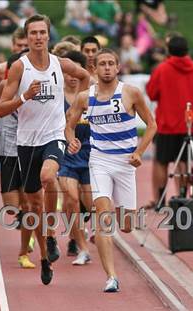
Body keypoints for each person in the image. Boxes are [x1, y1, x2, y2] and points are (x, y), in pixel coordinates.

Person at [0, 14, 90, 285]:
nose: (38, 37)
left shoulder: (61, 64)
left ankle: (50, 237)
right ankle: (44, 257)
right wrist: (25, 96)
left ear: (48, 35)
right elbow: (0, 108)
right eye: (33, 33)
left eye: (42, 32)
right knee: (34, 204)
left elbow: (85, 77)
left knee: (49, 177)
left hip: (54, 135)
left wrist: (75, 114)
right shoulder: (19, 68)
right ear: (26, 38)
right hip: (26, 141)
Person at [65, 48, 156, 292]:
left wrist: (138, 152)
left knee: (126, 225)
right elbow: (69, 124)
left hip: (126, 163)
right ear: (94, 69)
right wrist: (71, 139)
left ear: (118, 68)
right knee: (103, 215)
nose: (106, 68)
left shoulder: (131, 93)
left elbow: (152, 126)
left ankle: (117, 218)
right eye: (101, 64)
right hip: (99, 161)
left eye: (110, 64)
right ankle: (111, 277)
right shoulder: (85, 97)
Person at [0, 51, 35, 269]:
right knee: (11, 208)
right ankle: (25, 225)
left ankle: (26, 243)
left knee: (28, 201)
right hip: (7, 148)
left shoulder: (38, 86)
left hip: (29, 147)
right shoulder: (5, 85)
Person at [145, 35, 193, 209]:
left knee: (161, 162)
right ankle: (183, 197)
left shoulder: (162, 69)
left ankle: (160, 200)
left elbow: (151, 93)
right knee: (185, 163)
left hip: (166, 124)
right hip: (187, 124)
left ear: (169, 50)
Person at [57, 50, 92, 264]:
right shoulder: (56, 95)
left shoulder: (91, 93)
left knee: (90, 204)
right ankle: (83, 247)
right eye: (67, 73)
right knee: (70, 200)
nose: (71, 77)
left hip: (90, 153)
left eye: (75, 73)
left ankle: (82, 231)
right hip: (65, 154)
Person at [0, 27, 28, 93]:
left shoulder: (40, 68)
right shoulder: (1, 69)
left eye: (26, 46)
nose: (23, 49)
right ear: (12, 46)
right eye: (19, 45)